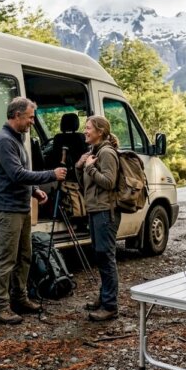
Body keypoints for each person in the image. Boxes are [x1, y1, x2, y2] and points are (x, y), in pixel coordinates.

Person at [0, 97, 67, 325]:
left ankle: (19, 298)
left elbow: (21, 172)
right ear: (16, 115)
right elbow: (16, 174)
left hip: (21, 208)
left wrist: (34, 191)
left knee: (24, 256)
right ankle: (0, 307)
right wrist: (51, 175)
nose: (32, 122)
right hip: (8, 210)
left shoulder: (17, 138)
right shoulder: (4, 141)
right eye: (30, 117)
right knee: (6, 259)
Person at [75, 115, 120, 321]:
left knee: (106, 257)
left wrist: (90, 168)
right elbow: (86, 186)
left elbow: (109, 182)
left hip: (105, 211)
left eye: (88, 128)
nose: (85, 131)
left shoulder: (107, 153)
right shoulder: (93, 153)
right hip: (95, 210)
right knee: (100, 256)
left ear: (100, 132)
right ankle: (104, 298)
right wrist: (79, 167)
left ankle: (110, 306)